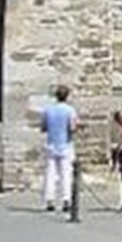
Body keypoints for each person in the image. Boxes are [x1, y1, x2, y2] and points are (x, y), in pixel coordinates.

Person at [41, 84, 79, 212]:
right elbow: (72, 128)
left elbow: (43, 127)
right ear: (67, 96)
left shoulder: (48, 110)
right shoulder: (70, 110)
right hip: (65, 144)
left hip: (51, 144)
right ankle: (66, 200)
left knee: (50, 174)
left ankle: (49, 200)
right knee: (65, 173)